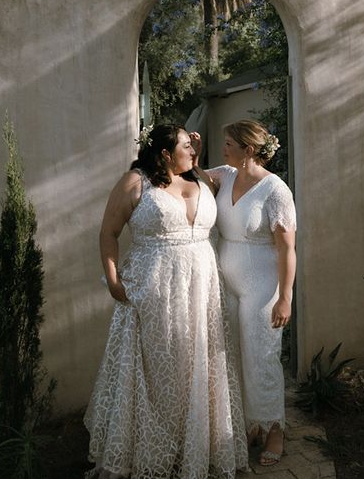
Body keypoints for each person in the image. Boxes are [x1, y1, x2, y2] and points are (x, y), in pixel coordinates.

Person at [84, 124, 248, 479]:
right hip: (153, 289)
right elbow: (108, 232)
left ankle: (194, 451)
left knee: (196, 367)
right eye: (186, 145)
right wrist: (112, 279)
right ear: (163, 153)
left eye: (194, 146)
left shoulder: (201, 179)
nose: (193, 149)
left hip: (202, 290)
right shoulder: (135, 182)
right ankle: (151, 451)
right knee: (157, 371)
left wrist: (196, 156)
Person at [194, 120, 297, 466]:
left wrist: (286, 296)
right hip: (226, 283)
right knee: (234, 357)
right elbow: (192, 177)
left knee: (261, 357)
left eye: (228, 144)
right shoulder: (224, 174)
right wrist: (192, 154)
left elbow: (287, 249)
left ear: (248, 150)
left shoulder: (275, 190)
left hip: (263, 286)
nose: (222, 149)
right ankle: (250, 424)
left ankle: (275, 431)